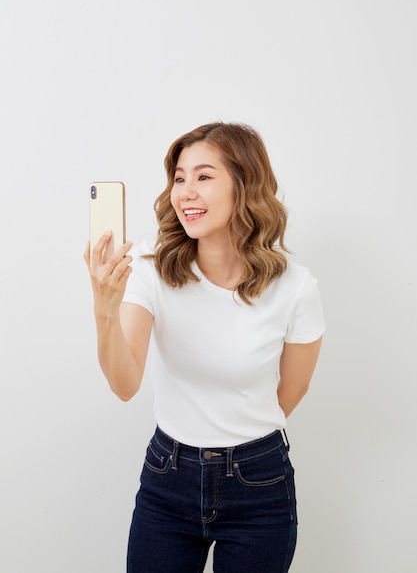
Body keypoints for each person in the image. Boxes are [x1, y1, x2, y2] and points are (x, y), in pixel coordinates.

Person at [84, 122, 325, 573]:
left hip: (259, 482)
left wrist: (237, 434)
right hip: (167, 479)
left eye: (204, 176)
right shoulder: (151, 269)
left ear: (245, 184)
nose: (185, 192)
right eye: (179, 178)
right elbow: (124, 383)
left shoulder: (295, 288)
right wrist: (105, 307)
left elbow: (293, 388)